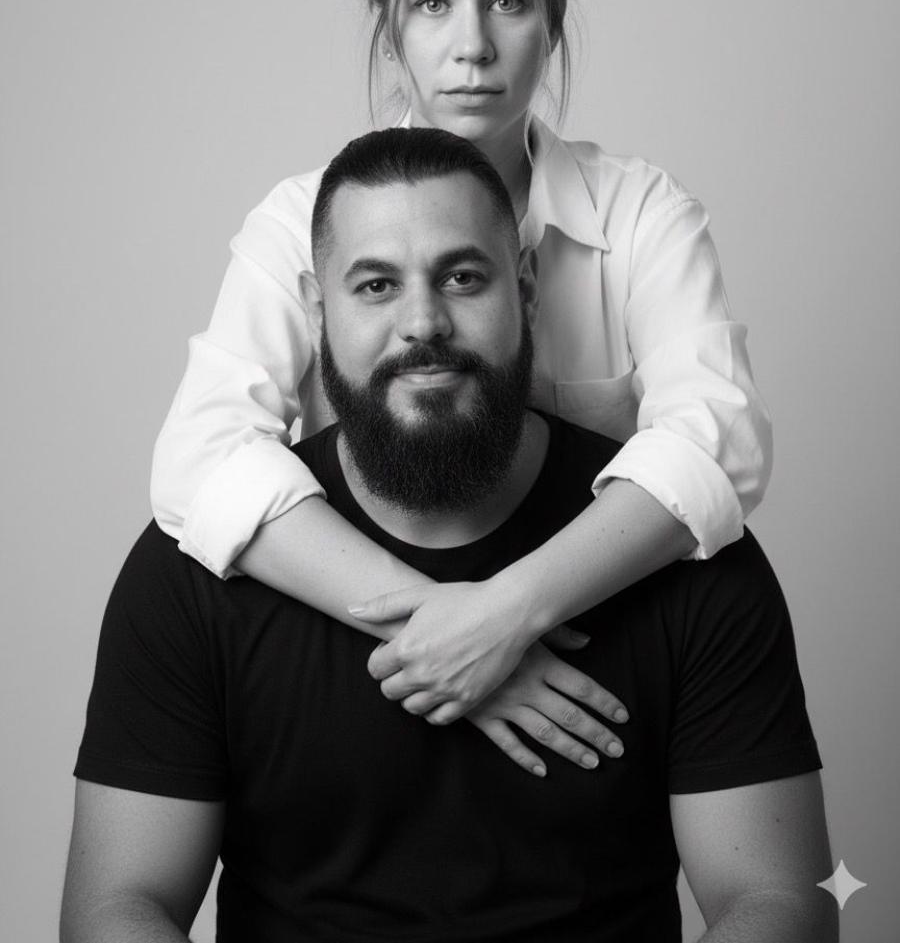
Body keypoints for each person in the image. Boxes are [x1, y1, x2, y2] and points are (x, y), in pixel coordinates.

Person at [62, 129, 834, 943]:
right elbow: (116, 907)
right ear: (317, 311)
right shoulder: (193, 571)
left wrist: (509, 612)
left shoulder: (683, 555)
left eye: (463, 277)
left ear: (526, 289)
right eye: (376, 285)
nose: (423, 322)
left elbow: (781, 901)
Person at [150, 0, 773, 756]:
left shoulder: (643, 213)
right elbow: (199, 459)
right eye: (432, 3)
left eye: (508, 1)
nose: (472, 46)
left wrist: (509, 613)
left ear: (553, 15)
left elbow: (718, 442)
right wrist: (445, 631)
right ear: (388, 23)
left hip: (596, 666)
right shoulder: (300, 221)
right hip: (369, 673)